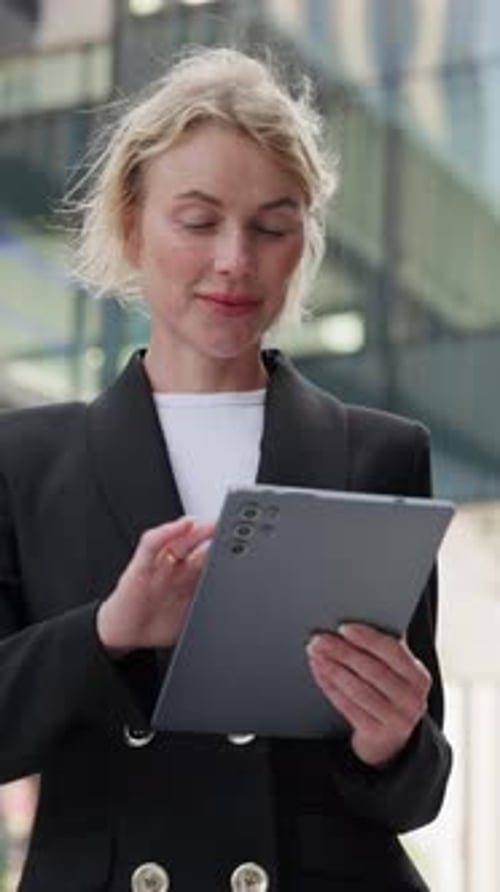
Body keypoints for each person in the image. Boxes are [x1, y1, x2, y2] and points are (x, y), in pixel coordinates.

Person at [0, 47, 451, 892]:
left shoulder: (382, 453)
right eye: (199, 222)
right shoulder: (25, 460)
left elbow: (419, 790)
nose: (236, 262)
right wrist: (107, 632)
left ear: (303, 242)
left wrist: (393, 736)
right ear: (133, 224)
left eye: (272, 228)